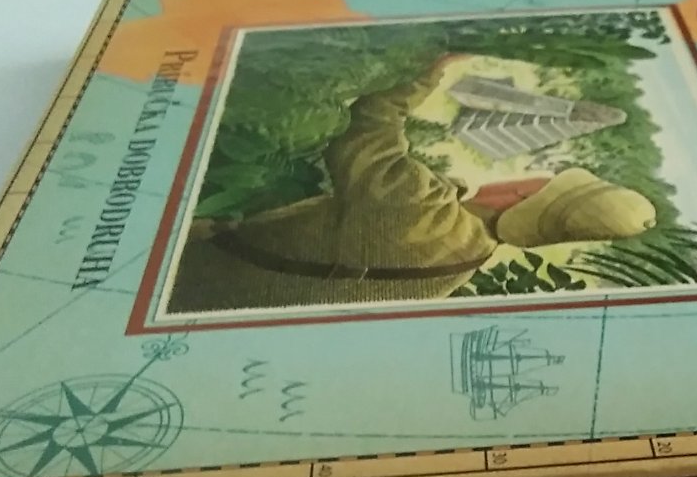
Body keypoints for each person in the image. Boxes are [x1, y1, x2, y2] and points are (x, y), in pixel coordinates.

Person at [170, 55, 657, 312]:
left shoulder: (421, 211)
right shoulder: (463, 261)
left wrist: (429, 71)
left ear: (524, 195)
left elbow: (369, 127)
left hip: (190, 274)